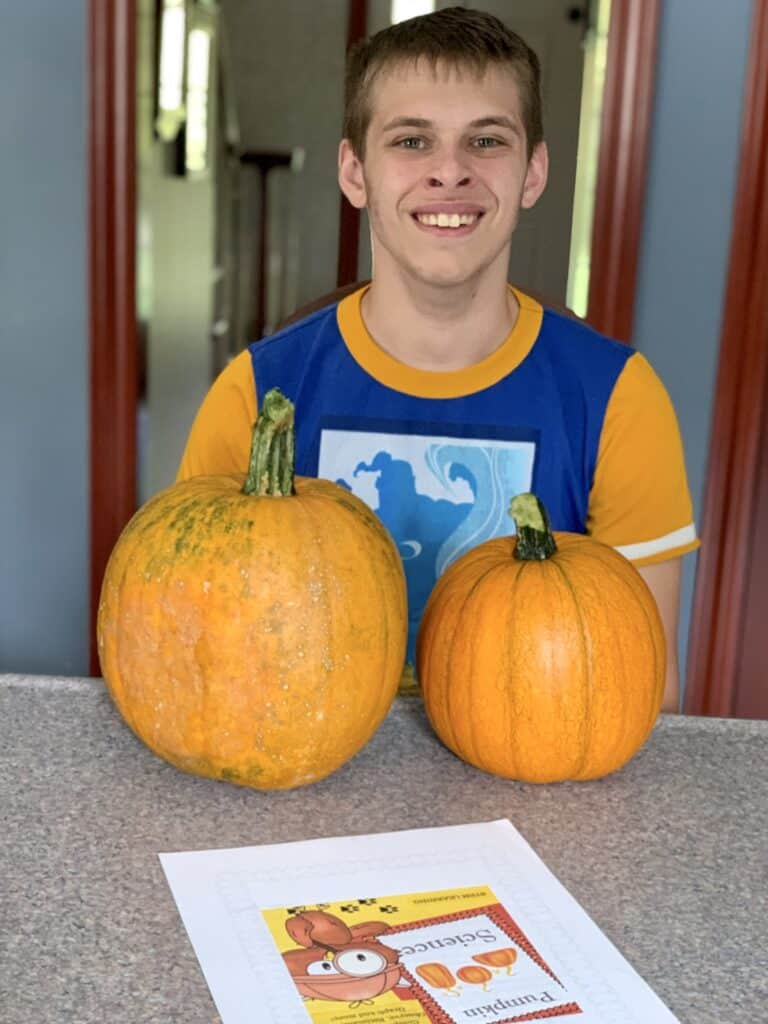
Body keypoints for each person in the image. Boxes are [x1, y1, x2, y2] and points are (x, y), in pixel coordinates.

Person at [177, 7, 699, 711]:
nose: (449, 172)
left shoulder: (620, 402)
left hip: (528, 778)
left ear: (533, 173)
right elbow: (194, 653)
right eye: (412, 140)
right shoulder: (256, 393)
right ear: (355, 172)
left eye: (486, 140)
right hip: (301, 768)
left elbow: (644, 692)